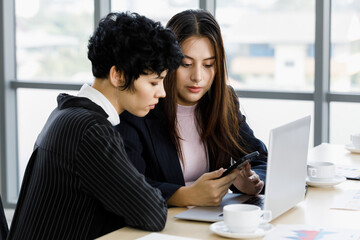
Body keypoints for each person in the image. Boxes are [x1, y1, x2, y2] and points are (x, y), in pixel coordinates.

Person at [8, 12, 183, 239]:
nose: (162, 93)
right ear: (118, 75)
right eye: (154, 82)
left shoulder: (66, 113)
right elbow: (152, 214)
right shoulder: (91, 131)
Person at [117, 9, 268, 207]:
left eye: (208, 65)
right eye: (186, 64)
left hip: (211, 219)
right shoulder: (141, 106)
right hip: (162, 222)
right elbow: (130, 186)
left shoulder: (224, 100)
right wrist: (184, 195)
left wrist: (250, 182)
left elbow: (260, 157)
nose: (198, 77)